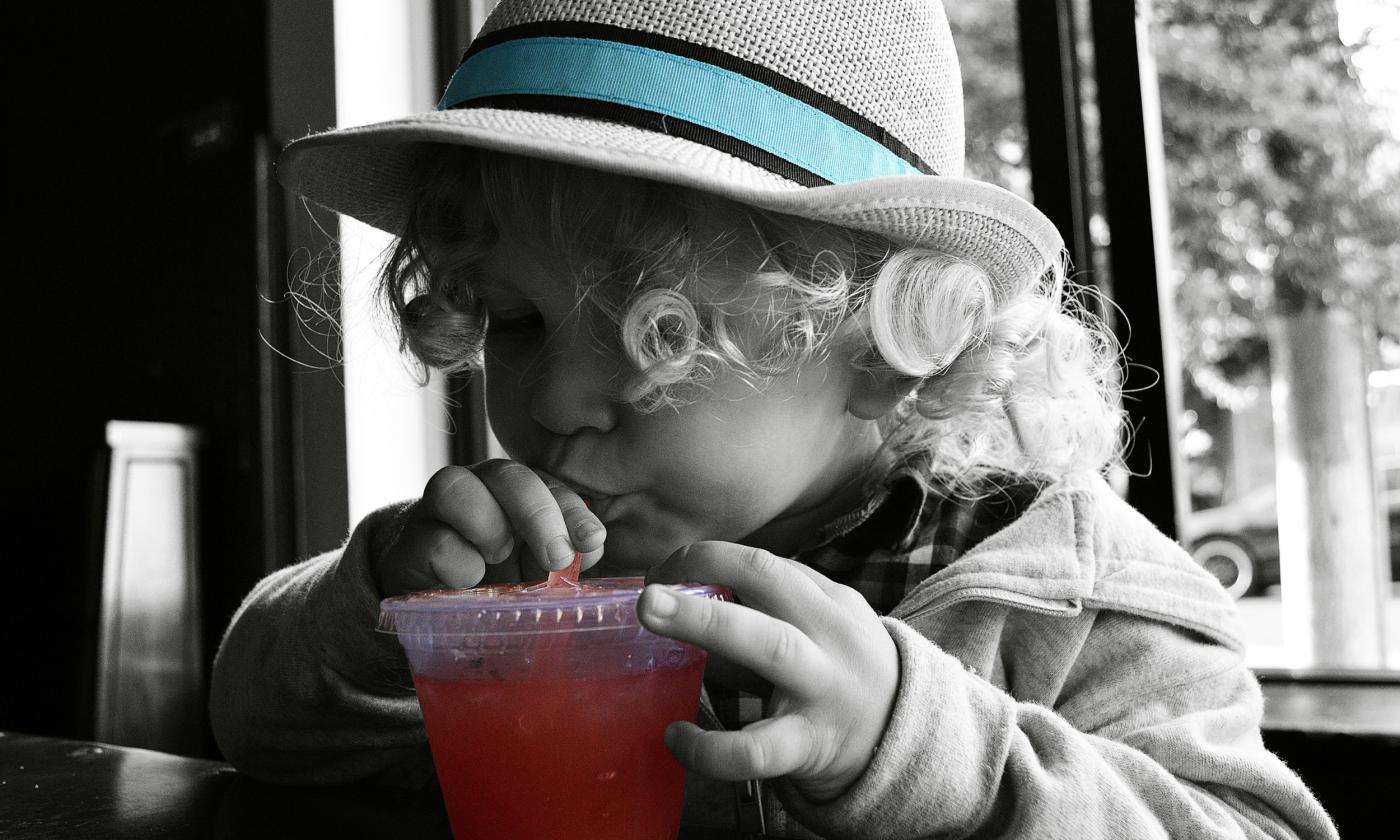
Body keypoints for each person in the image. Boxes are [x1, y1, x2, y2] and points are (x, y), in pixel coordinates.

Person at [211, 0, 1339, 837]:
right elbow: (253, 725)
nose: (550, 402)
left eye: (661, 340)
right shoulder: (520, 572)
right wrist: (379, 615)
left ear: (885, 345)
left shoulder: (1073, 610)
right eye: (513, 321)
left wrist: (920, 744)